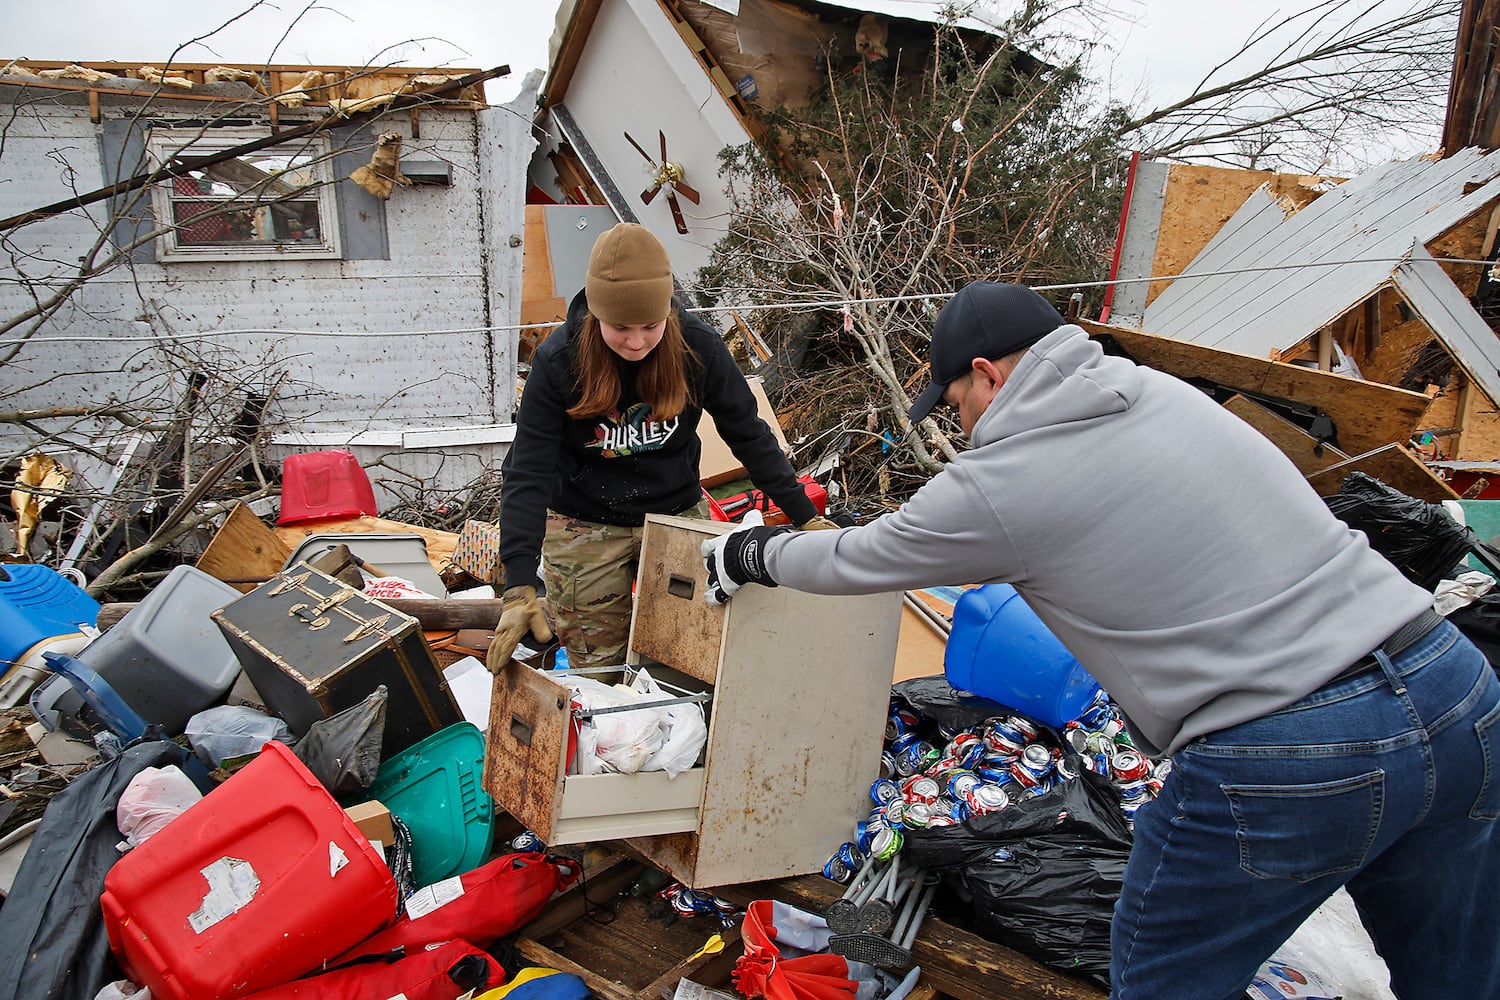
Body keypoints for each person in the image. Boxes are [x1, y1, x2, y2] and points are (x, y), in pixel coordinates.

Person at [701, 280, 1500, 1000]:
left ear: (989, 373)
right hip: (1451, 684)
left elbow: (858, 558)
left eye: (955, 403)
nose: (962, 423)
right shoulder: (1165, 395)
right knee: (1456, 971)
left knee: (1161, 977)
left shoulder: (1006, 477)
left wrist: (748, 553)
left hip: (1291, 748)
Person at [488, 222, 831, 679]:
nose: (635, 342)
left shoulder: (697, 347)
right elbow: (527, 471)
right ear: (594, 313)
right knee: (598, 669)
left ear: (668, 311)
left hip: (675, 511)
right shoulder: (558, 360)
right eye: (619, 328)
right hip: (583, 520)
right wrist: (519, 585)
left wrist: (802, 513)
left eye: (650, 326)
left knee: (692, 651)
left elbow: (747, 433)